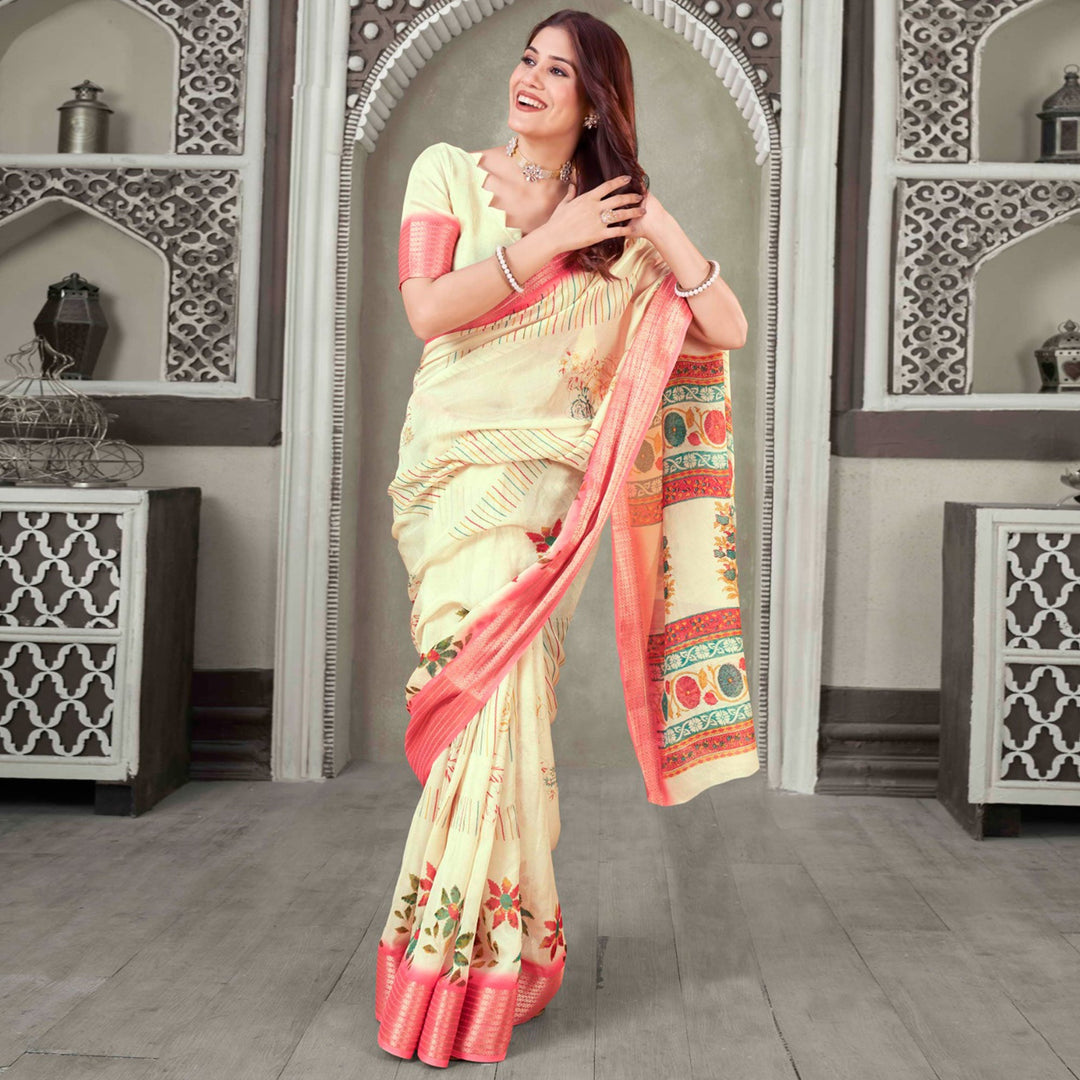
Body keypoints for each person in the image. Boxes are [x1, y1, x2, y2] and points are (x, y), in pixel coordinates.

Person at [374, 8, 760, 1067]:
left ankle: (471, 975)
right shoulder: (447, 174)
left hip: (548, 508)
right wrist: (548, 238)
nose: (532, 79)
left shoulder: (618, 235)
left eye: (560, 72)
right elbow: (427, 311)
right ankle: (478, 961)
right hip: (453, 483)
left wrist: (651, 218)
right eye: (528, 60)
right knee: (481, 717)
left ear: (595, 104)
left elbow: (724, 327)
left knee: (507, 723)